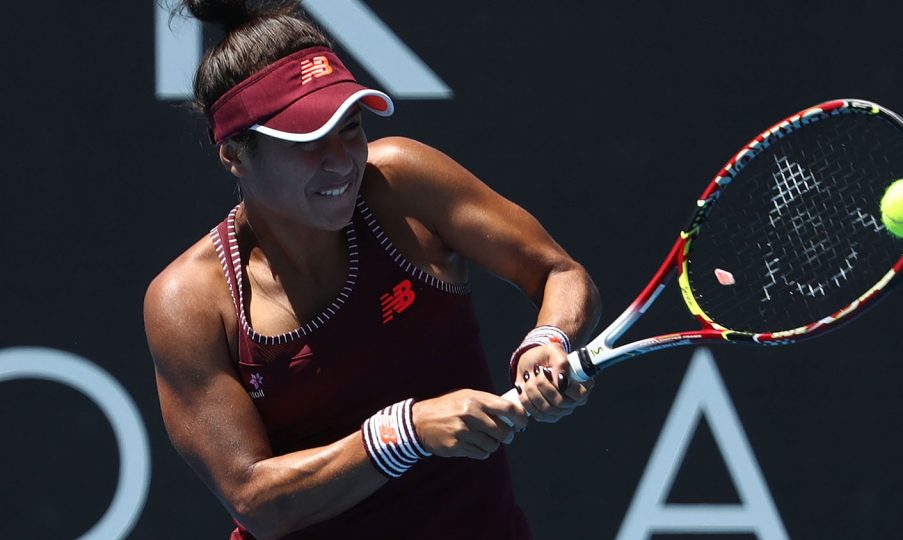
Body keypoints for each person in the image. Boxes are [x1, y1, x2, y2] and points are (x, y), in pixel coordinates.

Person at [144, 1, 601, 538]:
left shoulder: (402, 182)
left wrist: (548, 340)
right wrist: (403, 433)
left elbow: (558, 272)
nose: (341, 159)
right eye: (308, 141)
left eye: (351, 127)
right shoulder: (190, 301)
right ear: (235, 155)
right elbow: (256, 500)